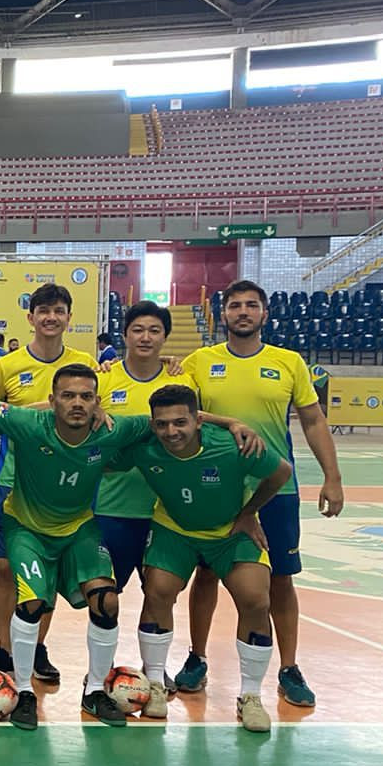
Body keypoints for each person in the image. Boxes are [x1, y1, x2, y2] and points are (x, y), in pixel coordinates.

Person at [0, 365, 257, 731]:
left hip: (79, 528)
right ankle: (24, 690)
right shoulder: (27, 422)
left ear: (97, 402)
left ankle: (93, 689)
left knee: (107, 601)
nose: (77, 403)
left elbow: (174, 418)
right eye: (68, 396)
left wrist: (230, 422)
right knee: (31, 604)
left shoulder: (114, 428)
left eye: (86, 397)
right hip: (27, 529)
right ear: (52, 400)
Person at [179, 280, 345, 708]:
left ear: (265, 314)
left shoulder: (288, 363)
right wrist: (230, 421)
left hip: (276, 489)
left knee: (279, 579)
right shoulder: (200, 361)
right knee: (208, 572)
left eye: (252, 305)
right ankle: (196, 658)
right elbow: (185, 412)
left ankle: (288, 669)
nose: (243, 312)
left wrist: (333, 477)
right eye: (235, 305)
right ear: (224, 314)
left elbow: (312, 421)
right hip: (217, 485)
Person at [112, 384, 293, 733]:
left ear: (198, 421)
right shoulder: (146, 447)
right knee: (157, 591)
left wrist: (249, 512)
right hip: (174, 530)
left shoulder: (232, 445)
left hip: (228, 533)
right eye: (162, 424)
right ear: (152, 424)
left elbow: (280, 472)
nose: (171, 432)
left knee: (256, 598)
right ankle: (155, 684)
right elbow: (102, 460)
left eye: (180, 422)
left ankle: (251, 696)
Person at [0, 282, 94, 684]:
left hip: (64, 487)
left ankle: (37, 646)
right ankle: (5, 648)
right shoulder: (7, 366)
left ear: (68, 317)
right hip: (12, 481)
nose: (51, 317)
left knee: (46, 571)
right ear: (30, 318)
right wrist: (41, 410)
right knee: (6, 568)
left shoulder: (86, 363)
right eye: (43, 310)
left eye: (59, 310)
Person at [93, 300, 190, 704]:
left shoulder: (181, 382)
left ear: (164, 337)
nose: (145, 337)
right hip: (112, 508)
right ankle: (97, 676)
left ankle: (154, 674)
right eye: (138, 330)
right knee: (104, 598)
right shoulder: (104, 378)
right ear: (125, 335)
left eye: (154, 331)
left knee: (160, 594)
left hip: (163, 512)